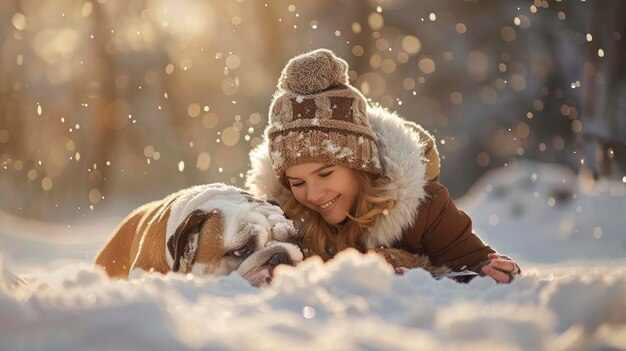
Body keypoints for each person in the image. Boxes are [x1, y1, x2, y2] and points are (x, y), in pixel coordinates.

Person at [246, 49, 520, 283]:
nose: (315, 194)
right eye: (298, 183)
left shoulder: (424, 208)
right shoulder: (285, 218)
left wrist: (493, 269)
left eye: (326, 173)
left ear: (361, 164)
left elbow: (472, 262)